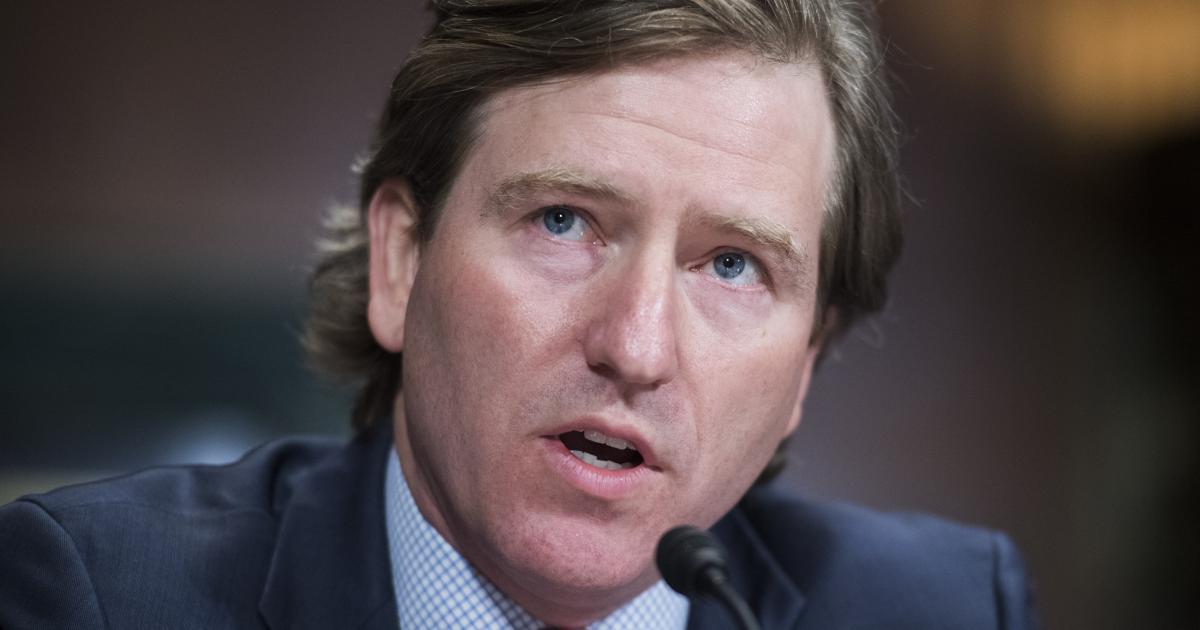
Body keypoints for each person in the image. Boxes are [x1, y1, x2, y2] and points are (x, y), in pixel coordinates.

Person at [0, 1, 1038, 628]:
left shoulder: (940, 612)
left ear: (807, 364)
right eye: (563, 221)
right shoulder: (100, 598)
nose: (635, 346)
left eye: (731, 265)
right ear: (401, 261)